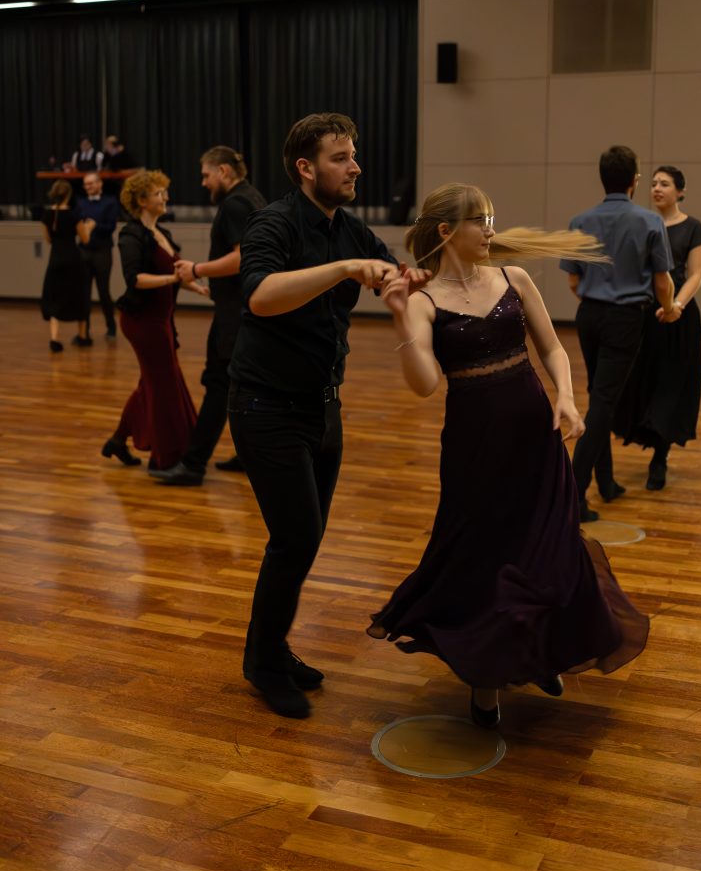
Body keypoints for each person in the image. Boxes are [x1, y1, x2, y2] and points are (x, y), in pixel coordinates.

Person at [368, 182, 649, 728]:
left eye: (491, 218)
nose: (491, 230)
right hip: (474, 445)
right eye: (481, 220)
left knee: (547, 547)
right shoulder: (424, 301)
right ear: (447, 231)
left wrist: (566, 397)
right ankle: (487, 678)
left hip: (535, 433)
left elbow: (551, 347)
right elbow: (425, 384)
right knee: (485, 555)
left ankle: (541, 651)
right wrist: (400, 317)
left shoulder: (513, 278)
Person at [227, 112, 426, 719]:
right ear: (306, 168)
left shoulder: (351, 229)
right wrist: (343, 269)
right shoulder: (275, 222)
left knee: (303, 540)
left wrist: (408, 280)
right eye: (341, 157)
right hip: (265, 408)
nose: (355, 167)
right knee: (294, 538)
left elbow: (393, 277)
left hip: (322, 408)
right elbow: (260, 296)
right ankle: (263, 663)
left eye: (353, 155)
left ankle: (271, 649)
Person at [560, 145, 675, 522]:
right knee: (604, 402)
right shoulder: (649, 221)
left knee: (600, 395)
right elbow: (662, 281)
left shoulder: (579, 221)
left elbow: (573, 281)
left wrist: (596, 299)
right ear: (634, 181)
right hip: (625, 318)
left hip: (588, 315)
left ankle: (606, 482)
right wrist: (670, 308)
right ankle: (573, 496)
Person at [152, 146, 267, 486]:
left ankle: (193, 464)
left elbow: (243, 257)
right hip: (248, 310)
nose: (203, 183)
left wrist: (196, 269)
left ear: (223, 172)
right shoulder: (253, 197)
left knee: (219, 385)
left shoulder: (235, 204)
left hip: (235, 315)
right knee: (244, 387)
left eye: (206, 175)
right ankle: (250, 456)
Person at [102, 170, 207, 469]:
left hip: (162, 320)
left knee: (150, 383)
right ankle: (166, 456)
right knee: (162, 384)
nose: (166, 198)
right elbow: (135, 279)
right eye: (159, 193)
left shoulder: (162, 233)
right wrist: (173, 279)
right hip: (142, 321)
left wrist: (200, 288)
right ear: (141, 200)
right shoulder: (130, 235)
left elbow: (176, 273)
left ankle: (118, 440)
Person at [613, 165, 701, 491]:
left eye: (665, 184)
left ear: (680, 192)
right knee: (645, 381)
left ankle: (660, 458)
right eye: (653, 183)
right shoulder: (643, 224)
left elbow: (695, 274)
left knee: (671, 385)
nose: (656, 188)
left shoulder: (693, 227)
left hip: (679, 317)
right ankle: (645, 441)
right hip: (646, 316)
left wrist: (675, 306)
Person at [40, 179, 91, 352]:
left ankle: (54, 339)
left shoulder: (47, 215)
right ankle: (82, 337)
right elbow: (85, 239)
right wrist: (89, 226)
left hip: (55, 259)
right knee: (79, 295)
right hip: (74, 260)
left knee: (55, 297)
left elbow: (48, 239)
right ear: (69, 194)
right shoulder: (74, 215)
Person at [74, 170, 119, 339]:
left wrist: (94, 225)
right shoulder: (80, 202)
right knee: (83, 293)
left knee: (103, 291)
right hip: (83, 251)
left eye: (91, 183)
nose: (88, 187)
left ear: (100, 184)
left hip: (102, 251)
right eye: (85, 184)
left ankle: (111, 327)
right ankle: (84, 331)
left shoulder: (110, 202)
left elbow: (111, 227)